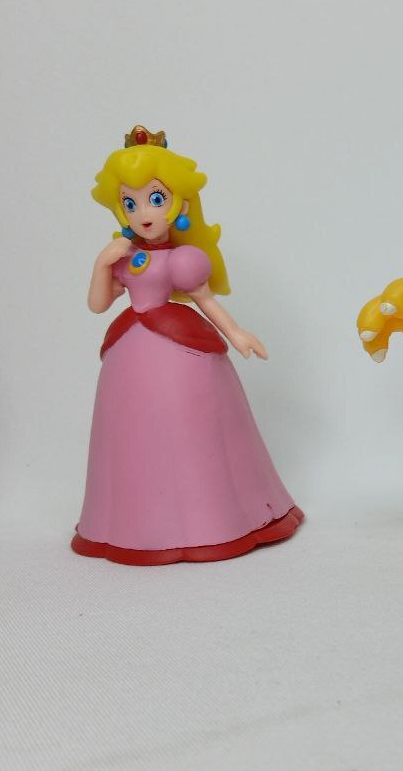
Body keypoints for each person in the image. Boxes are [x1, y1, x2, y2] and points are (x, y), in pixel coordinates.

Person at [73, 124, 302, 564]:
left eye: (155, 198)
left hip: (180, 350)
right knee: (132, 434)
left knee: (191, 427)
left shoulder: (184, 259)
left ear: (178, 202)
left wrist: (236, 333)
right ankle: (131, 522)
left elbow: (205, 299)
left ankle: (211, 519)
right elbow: (98, 304)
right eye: (130, 202)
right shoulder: (123, 258)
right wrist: (101, 264)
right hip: (129, 354)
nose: (144, 212)